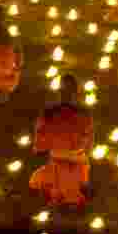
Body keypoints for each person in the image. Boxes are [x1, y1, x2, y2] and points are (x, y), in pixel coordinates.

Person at [29, 74, 94, 207]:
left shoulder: (83, 113)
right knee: (44, 181)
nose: (66, 94)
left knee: (70, 183)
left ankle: (67, 197)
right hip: (57, 160)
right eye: (64, 90)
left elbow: (87, 141)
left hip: (75, 162)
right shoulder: (50, 112)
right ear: (59, 92)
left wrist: (78, 154)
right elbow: (41, 137)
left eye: (70, 90)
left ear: (76, 92)